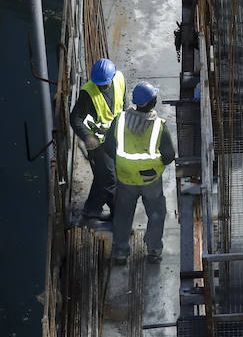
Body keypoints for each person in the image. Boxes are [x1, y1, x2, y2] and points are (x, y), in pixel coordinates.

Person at [109, 81, 175, 265]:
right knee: (156, 214)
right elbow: (169, 155)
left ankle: (121, 251)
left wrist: (123, 164)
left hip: (125, 178)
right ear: (152, 103)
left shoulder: (120, 120)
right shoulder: (158, 126)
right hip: (150, 179)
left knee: (123, 215)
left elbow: (108, 148)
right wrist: (156, 164)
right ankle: (153, 249)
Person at [68, 58, 126, 224]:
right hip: (98, 143)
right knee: (110, 180)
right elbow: (75, 119)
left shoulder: (120, 79)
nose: (101, 87)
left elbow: (123, 104)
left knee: (104, 174)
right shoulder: (88, 93)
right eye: (99, 84)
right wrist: (87, 137)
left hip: (114, 137)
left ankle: (92, 210)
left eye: (104, 84)